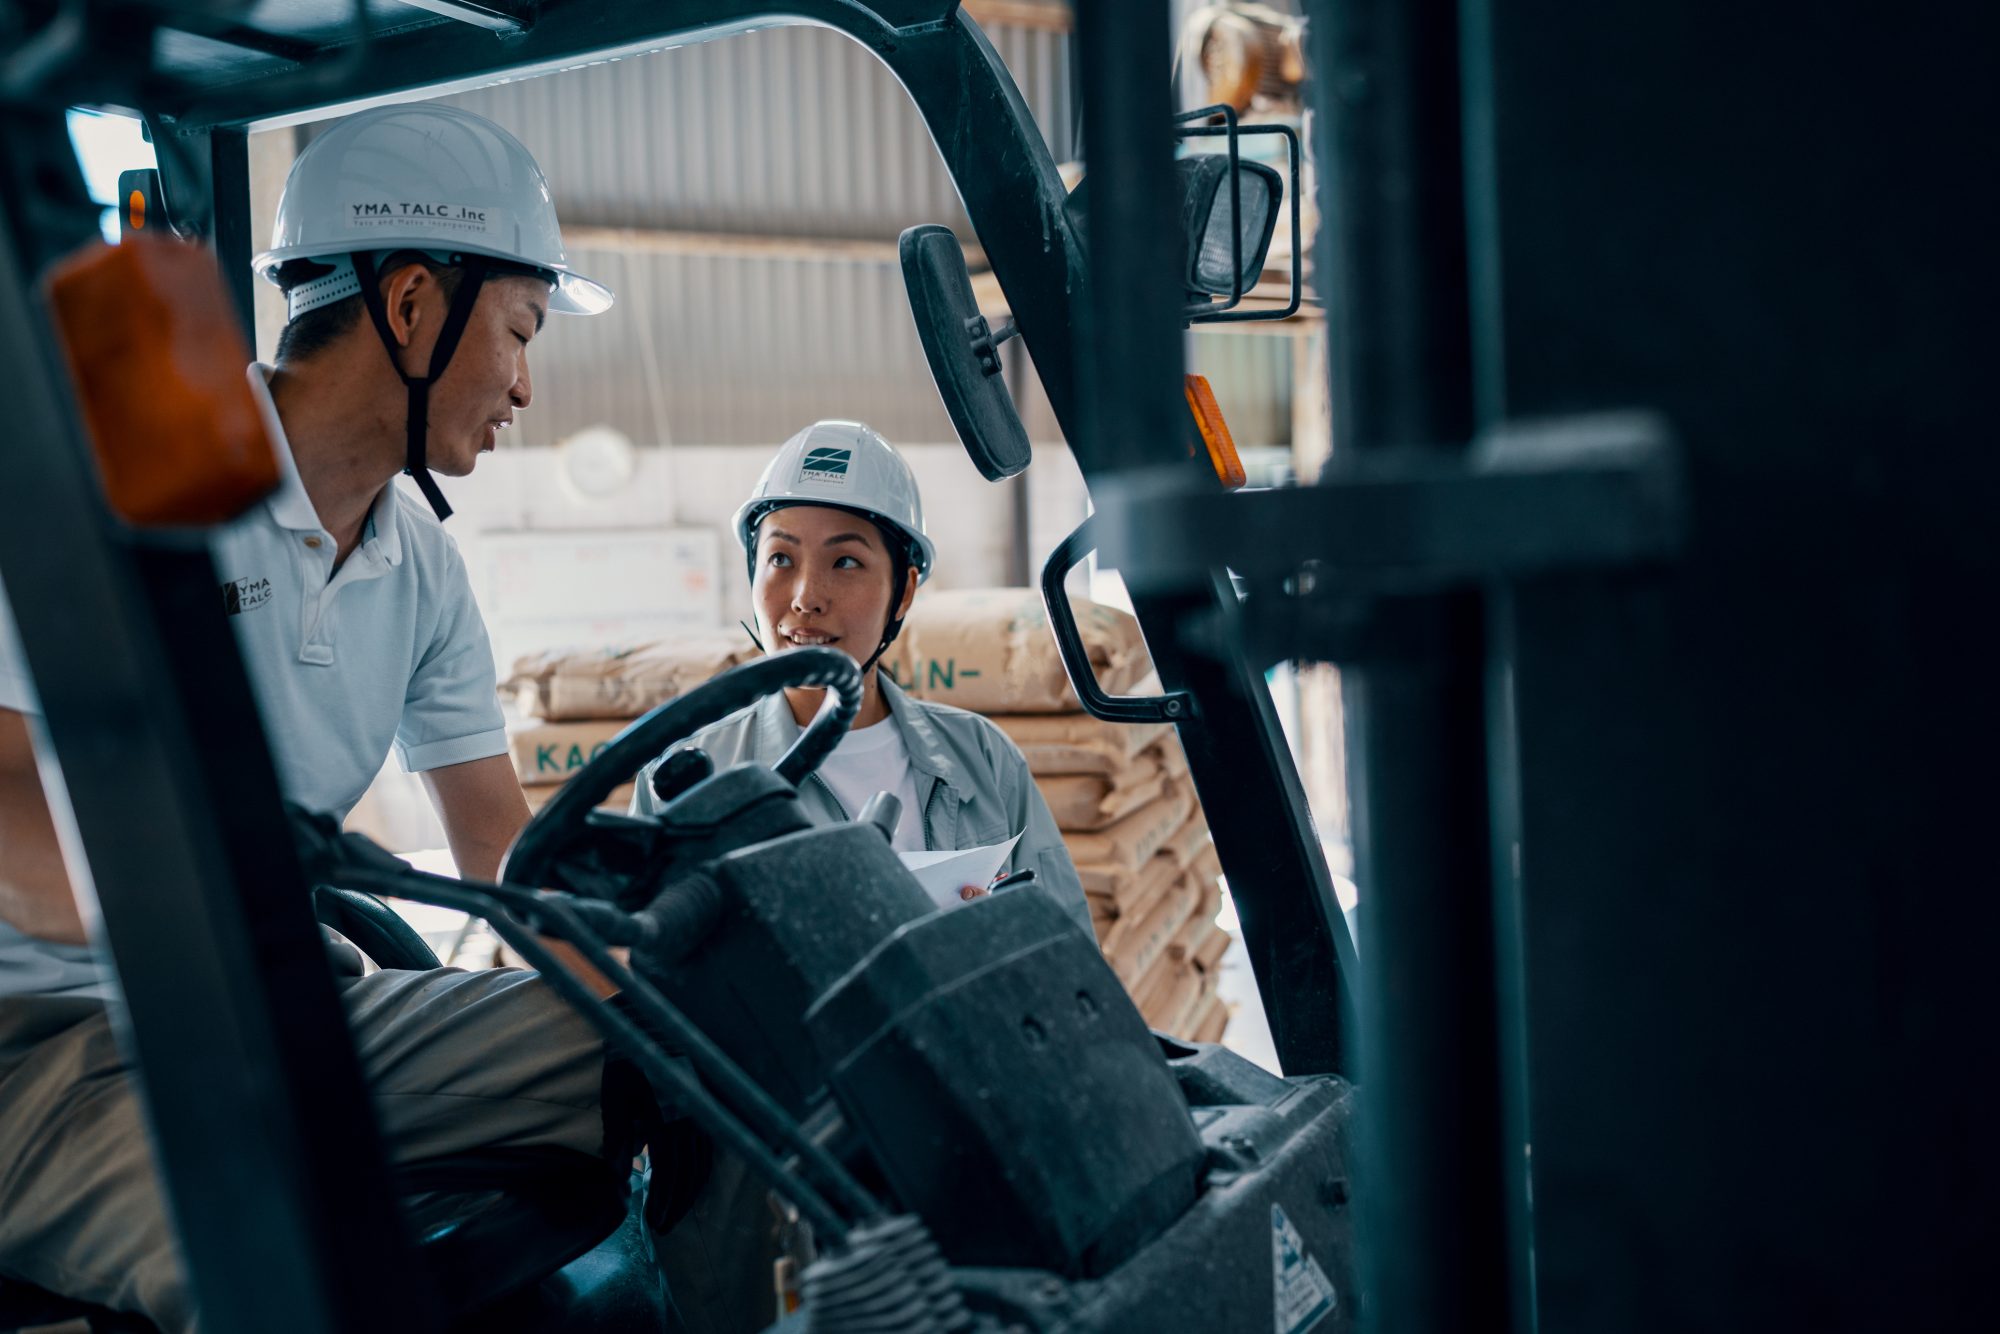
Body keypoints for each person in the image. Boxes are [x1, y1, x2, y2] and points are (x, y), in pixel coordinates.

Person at [0, 103, 633, 1331]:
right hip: (45, 1046)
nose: (523, 384)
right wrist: (225, 905)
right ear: (409, 306)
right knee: (290, 1254)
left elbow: (501, 852)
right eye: (516, 331)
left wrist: (662, 958)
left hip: (266, 1016)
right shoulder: (131, 478)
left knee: (669, 1059)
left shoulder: (420, 566)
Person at [633, 419, 1089, 1334]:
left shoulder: (979, 759)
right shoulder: (688, 778)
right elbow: (654, 1012)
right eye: (779, 559)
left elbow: (1063, 948)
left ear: (904, 587)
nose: (804, 596)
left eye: (846, 563)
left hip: (971, 1110)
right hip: (777, 1158)